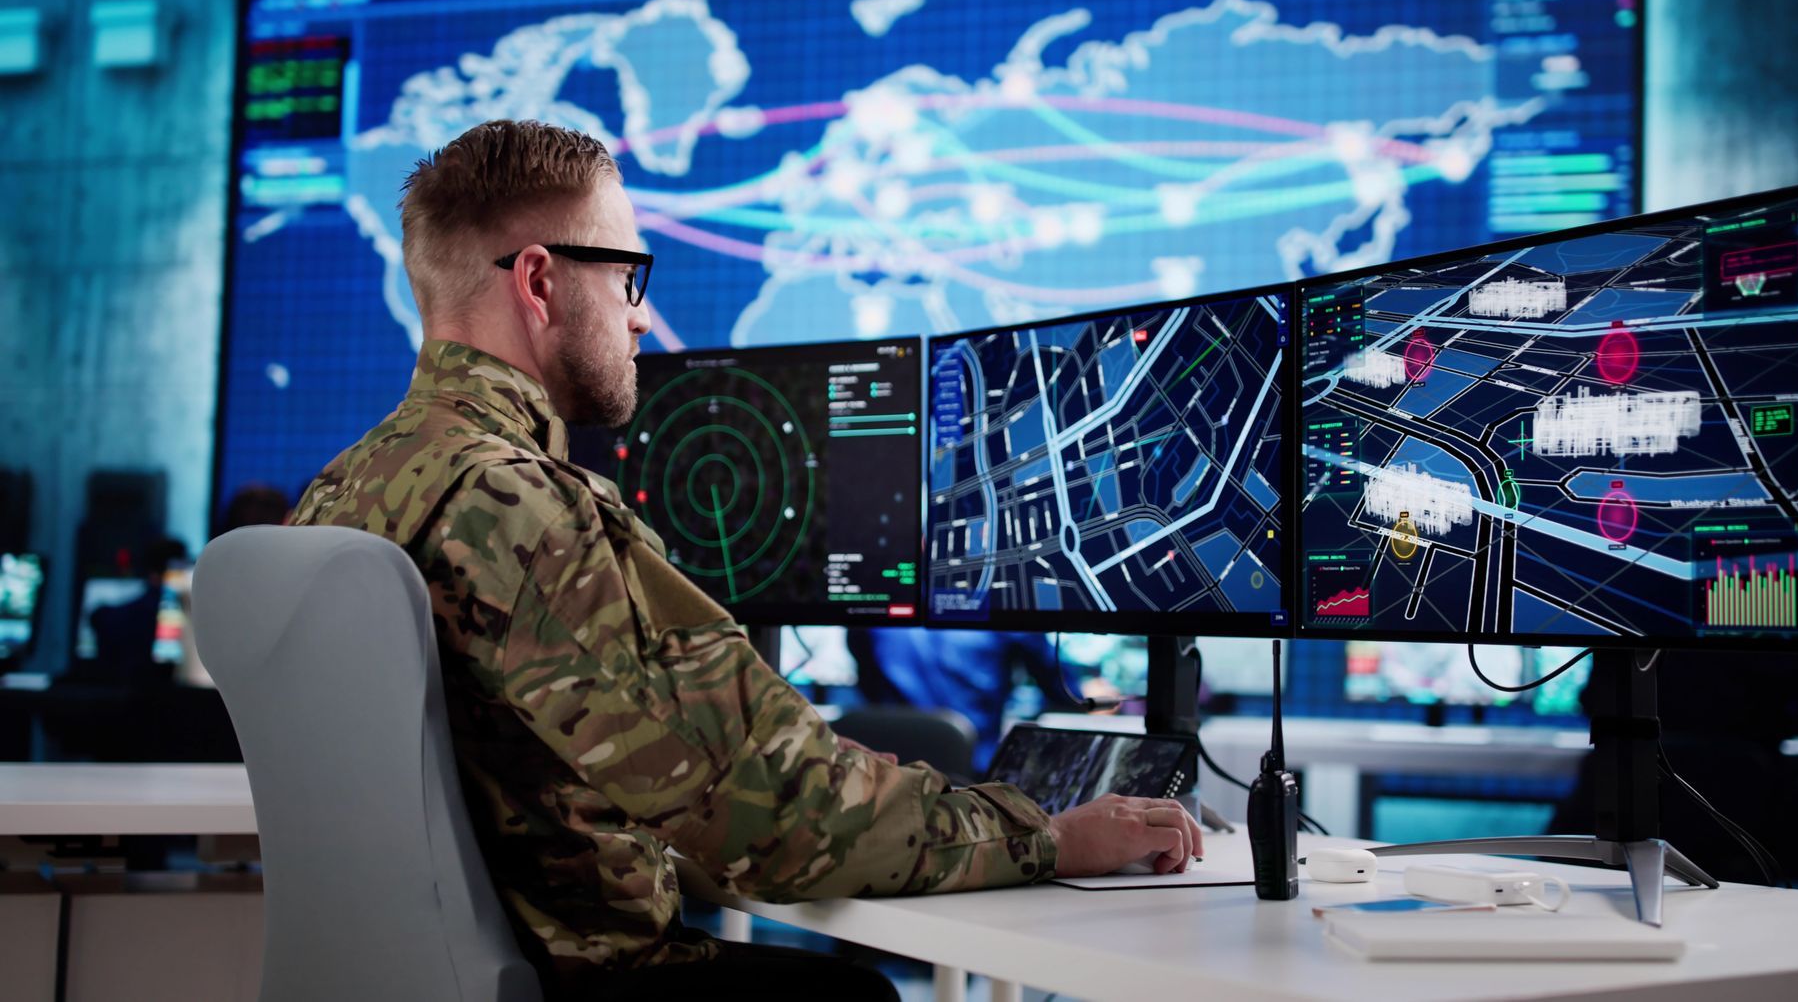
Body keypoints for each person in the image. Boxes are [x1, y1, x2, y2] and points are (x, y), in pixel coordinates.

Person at [289, 119, 1200, 999]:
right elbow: (790, 817)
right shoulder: (525, 510)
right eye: (628, 277)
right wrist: (1050, 835)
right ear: (539, 280)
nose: (640, 319)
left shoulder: (336, 493)